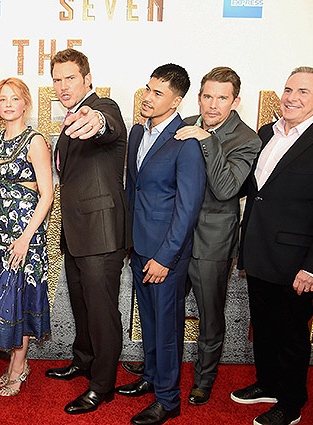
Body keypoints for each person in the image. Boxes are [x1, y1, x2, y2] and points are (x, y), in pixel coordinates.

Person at [117, 63, 206, 425]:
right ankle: (152, 378)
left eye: (158, 93)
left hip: (166, 254)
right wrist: (129, 241)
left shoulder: (186, 142)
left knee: (167, 328)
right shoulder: (139, 132)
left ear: (176, 101)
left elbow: (188, 207)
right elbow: (133, 189)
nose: (148, 97)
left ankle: (168, 400)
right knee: (150, 321)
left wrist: (166, 257)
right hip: (139, 247)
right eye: (148, 89)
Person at [44, 48, 130, 415]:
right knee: (82, 306)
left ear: (88, 79)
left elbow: (106, 125)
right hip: (77, 233)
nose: (63, 86)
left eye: (70, 78)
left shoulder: (102, 108)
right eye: (57, 80)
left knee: (102, 313)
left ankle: (102, 385)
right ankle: (84, 360)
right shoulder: (68, 120)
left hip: (102, 235)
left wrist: (97, 120)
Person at [173, 67, 262, 406]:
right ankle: (160, 367)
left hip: (212, 242)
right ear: (198, 97)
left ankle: (204, 379)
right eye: (207, 96)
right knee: (167, 307)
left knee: (210, 316)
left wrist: (206, 139)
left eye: (222, 98)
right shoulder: (184, 123)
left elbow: (226, 189)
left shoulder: (247, 139)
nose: (212, 105)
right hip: (175, 237)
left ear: (235, 101)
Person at [231, 66, 313, 425]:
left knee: (292, 335)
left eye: (303, 92)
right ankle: (267, 383)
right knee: (264, 326)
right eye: (289, 89)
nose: (292, 97)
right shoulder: (267, 132)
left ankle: (291, 403)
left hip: (297, 261)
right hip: (258, 250)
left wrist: (311, 266)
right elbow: (255, 191)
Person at [0, 77, 53, 397]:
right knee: (3, 299)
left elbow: (47, 195)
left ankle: (18, 367)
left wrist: (26, 238)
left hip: (25, 235)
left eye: (14, 98)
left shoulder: (35, 141)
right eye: (2, 99)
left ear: (25, 103)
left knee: (20, 300)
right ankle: (19, 362)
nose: (8, 104)